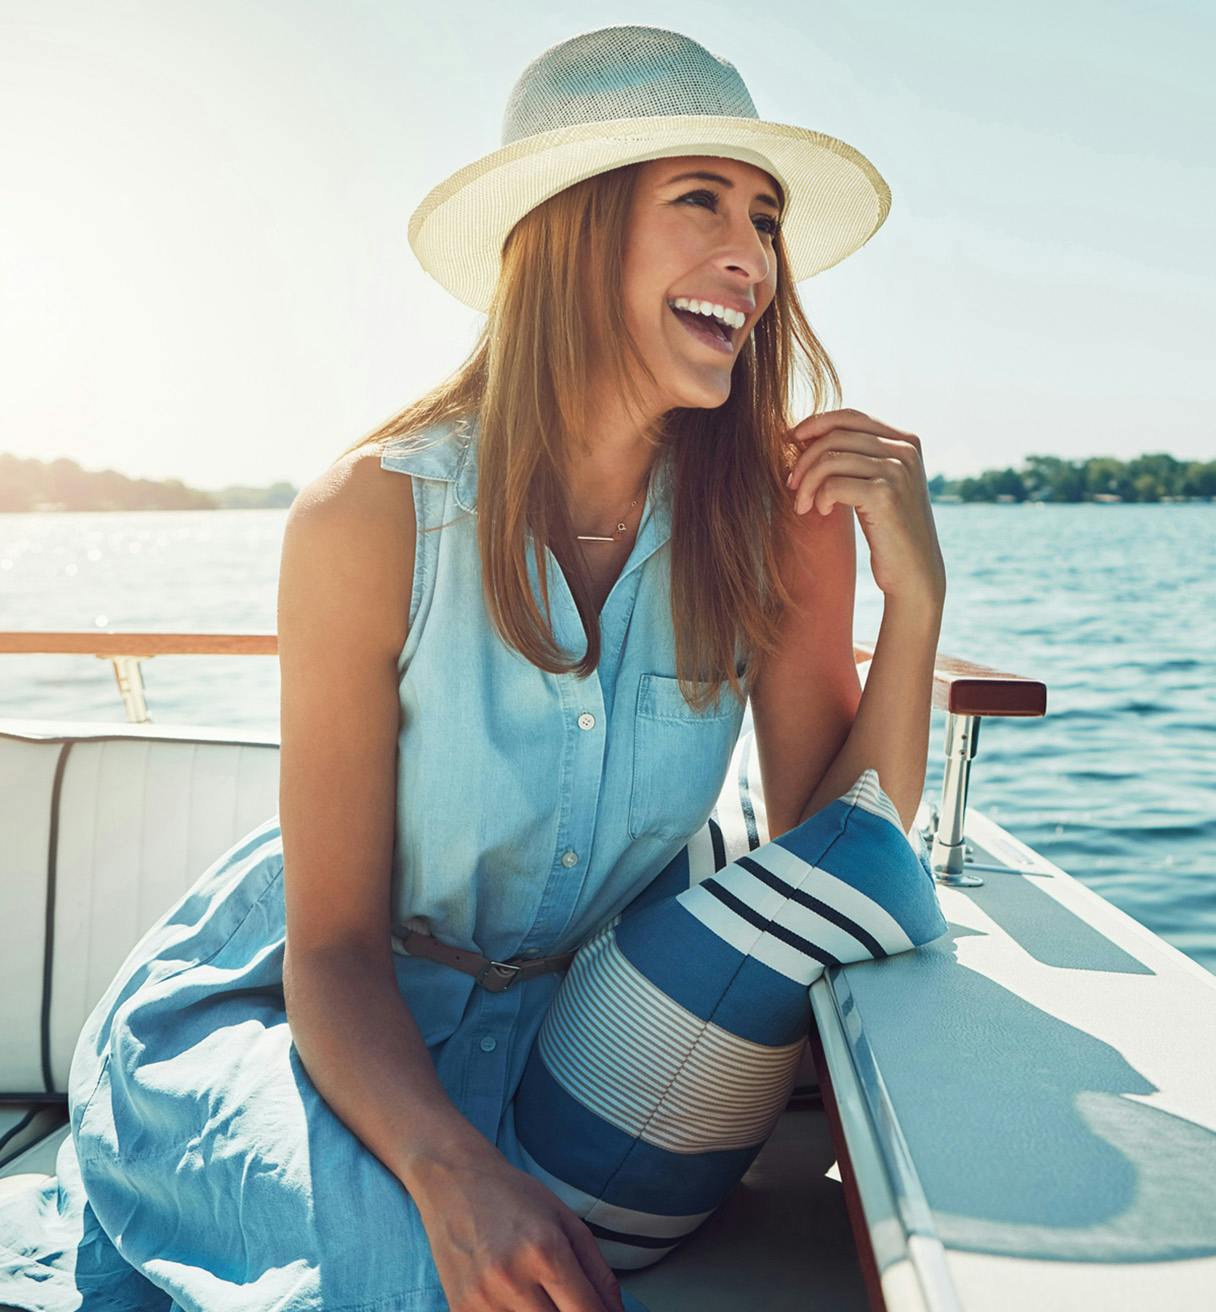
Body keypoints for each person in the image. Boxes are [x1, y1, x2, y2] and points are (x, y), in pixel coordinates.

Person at [0, 25, 944, 1312]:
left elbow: (841, 855)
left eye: (767, 219)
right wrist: (452, 1173)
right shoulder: (368, 517)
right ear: (571, 228)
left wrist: (918, 602)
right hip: (305, 1021)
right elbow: (328, 949)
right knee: (388, 1283)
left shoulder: (776, 519)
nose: (755, 257)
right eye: (702, 201)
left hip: (570, 1048)